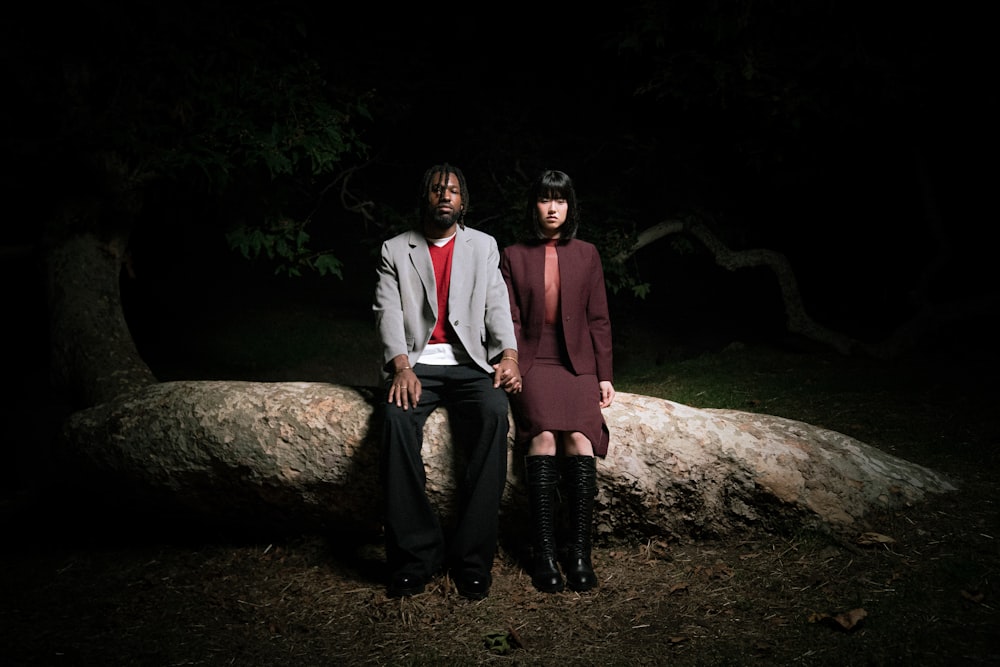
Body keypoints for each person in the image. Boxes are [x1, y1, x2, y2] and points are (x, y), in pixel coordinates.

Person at [373, 163, 522, 600]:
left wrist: (508, 357)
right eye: (437, 188)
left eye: (453, 190)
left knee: (495, 415)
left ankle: (472, 560)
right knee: (395, 421)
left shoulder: (483, 246)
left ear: (463, 202)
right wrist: (401, 366)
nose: (445, 195)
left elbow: (497, 304)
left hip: (470, 363)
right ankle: (414, 557)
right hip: (417, 363)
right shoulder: (395, 249)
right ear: (425, 197)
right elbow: (388, 312)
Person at [500, 169, 615, 593]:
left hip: (576, 364)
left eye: (560, 200)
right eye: (545, 200)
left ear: (570, 206)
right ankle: (544, 553)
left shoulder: (587, 253)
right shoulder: (512, 255)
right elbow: (507, 316)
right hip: (533, 362)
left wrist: (603, 374)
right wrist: (510, 362)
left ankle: (579, 554)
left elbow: (599, 318)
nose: (552, 208)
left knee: (580, 440)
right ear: (534, 205)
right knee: (544, 437)